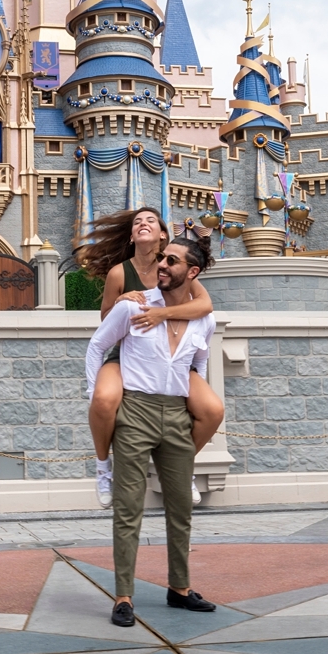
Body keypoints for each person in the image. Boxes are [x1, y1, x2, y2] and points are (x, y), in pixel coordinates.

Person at [85, 236, 220, 627]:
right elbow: (97, 345)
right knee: (128, 510)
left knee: (181, 510)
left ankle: (180, 588)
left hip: (177, 416)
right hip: (136, 413)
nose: (161, 264)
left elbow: (199, 364)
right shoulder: (134, 305)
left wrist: (192, 402)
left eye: (171, 260)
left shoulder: (204, 319)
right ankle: (123, 597)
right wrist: (95, 395)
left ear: (191, 272)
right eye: (162, 257)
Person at [75, 208, 225, 509]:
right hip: (129, 352)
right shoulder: (120, 273)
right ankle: (103, 469)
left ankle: (181, 467)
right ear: (132, 236)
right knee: (103, 399)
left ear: (163, 235)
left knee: (212, 409)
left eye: (150, 221)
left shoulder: (174, 266)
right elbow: (107, 323)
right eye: (137, 222)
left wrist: (161, 314)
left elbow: (205, 306)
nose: (143, 224)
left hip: (172, 354)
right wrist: (121, 300)